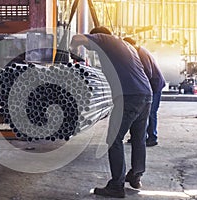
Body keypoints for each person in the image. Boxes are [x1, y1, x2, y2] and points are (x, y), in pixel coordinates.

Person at [69, 27, 152, 198]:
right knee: (139, 138)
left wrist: (72, 49)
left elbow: (78, 38)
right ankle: (136, 176)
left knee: (114, 139)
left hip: (128, 97)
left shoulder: (105, 39)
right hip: (145, 95)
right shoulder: (126, 46)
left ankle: (116, 185)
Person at [123, 37, 165, 147]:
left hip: (154, 86)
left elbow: (148, 73)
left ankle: (152, 137)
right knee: (139, 112)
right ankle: (138, 136)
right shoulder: (138, 52)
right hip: (149, 86)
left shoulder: (141, 53)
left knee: (151, 112)